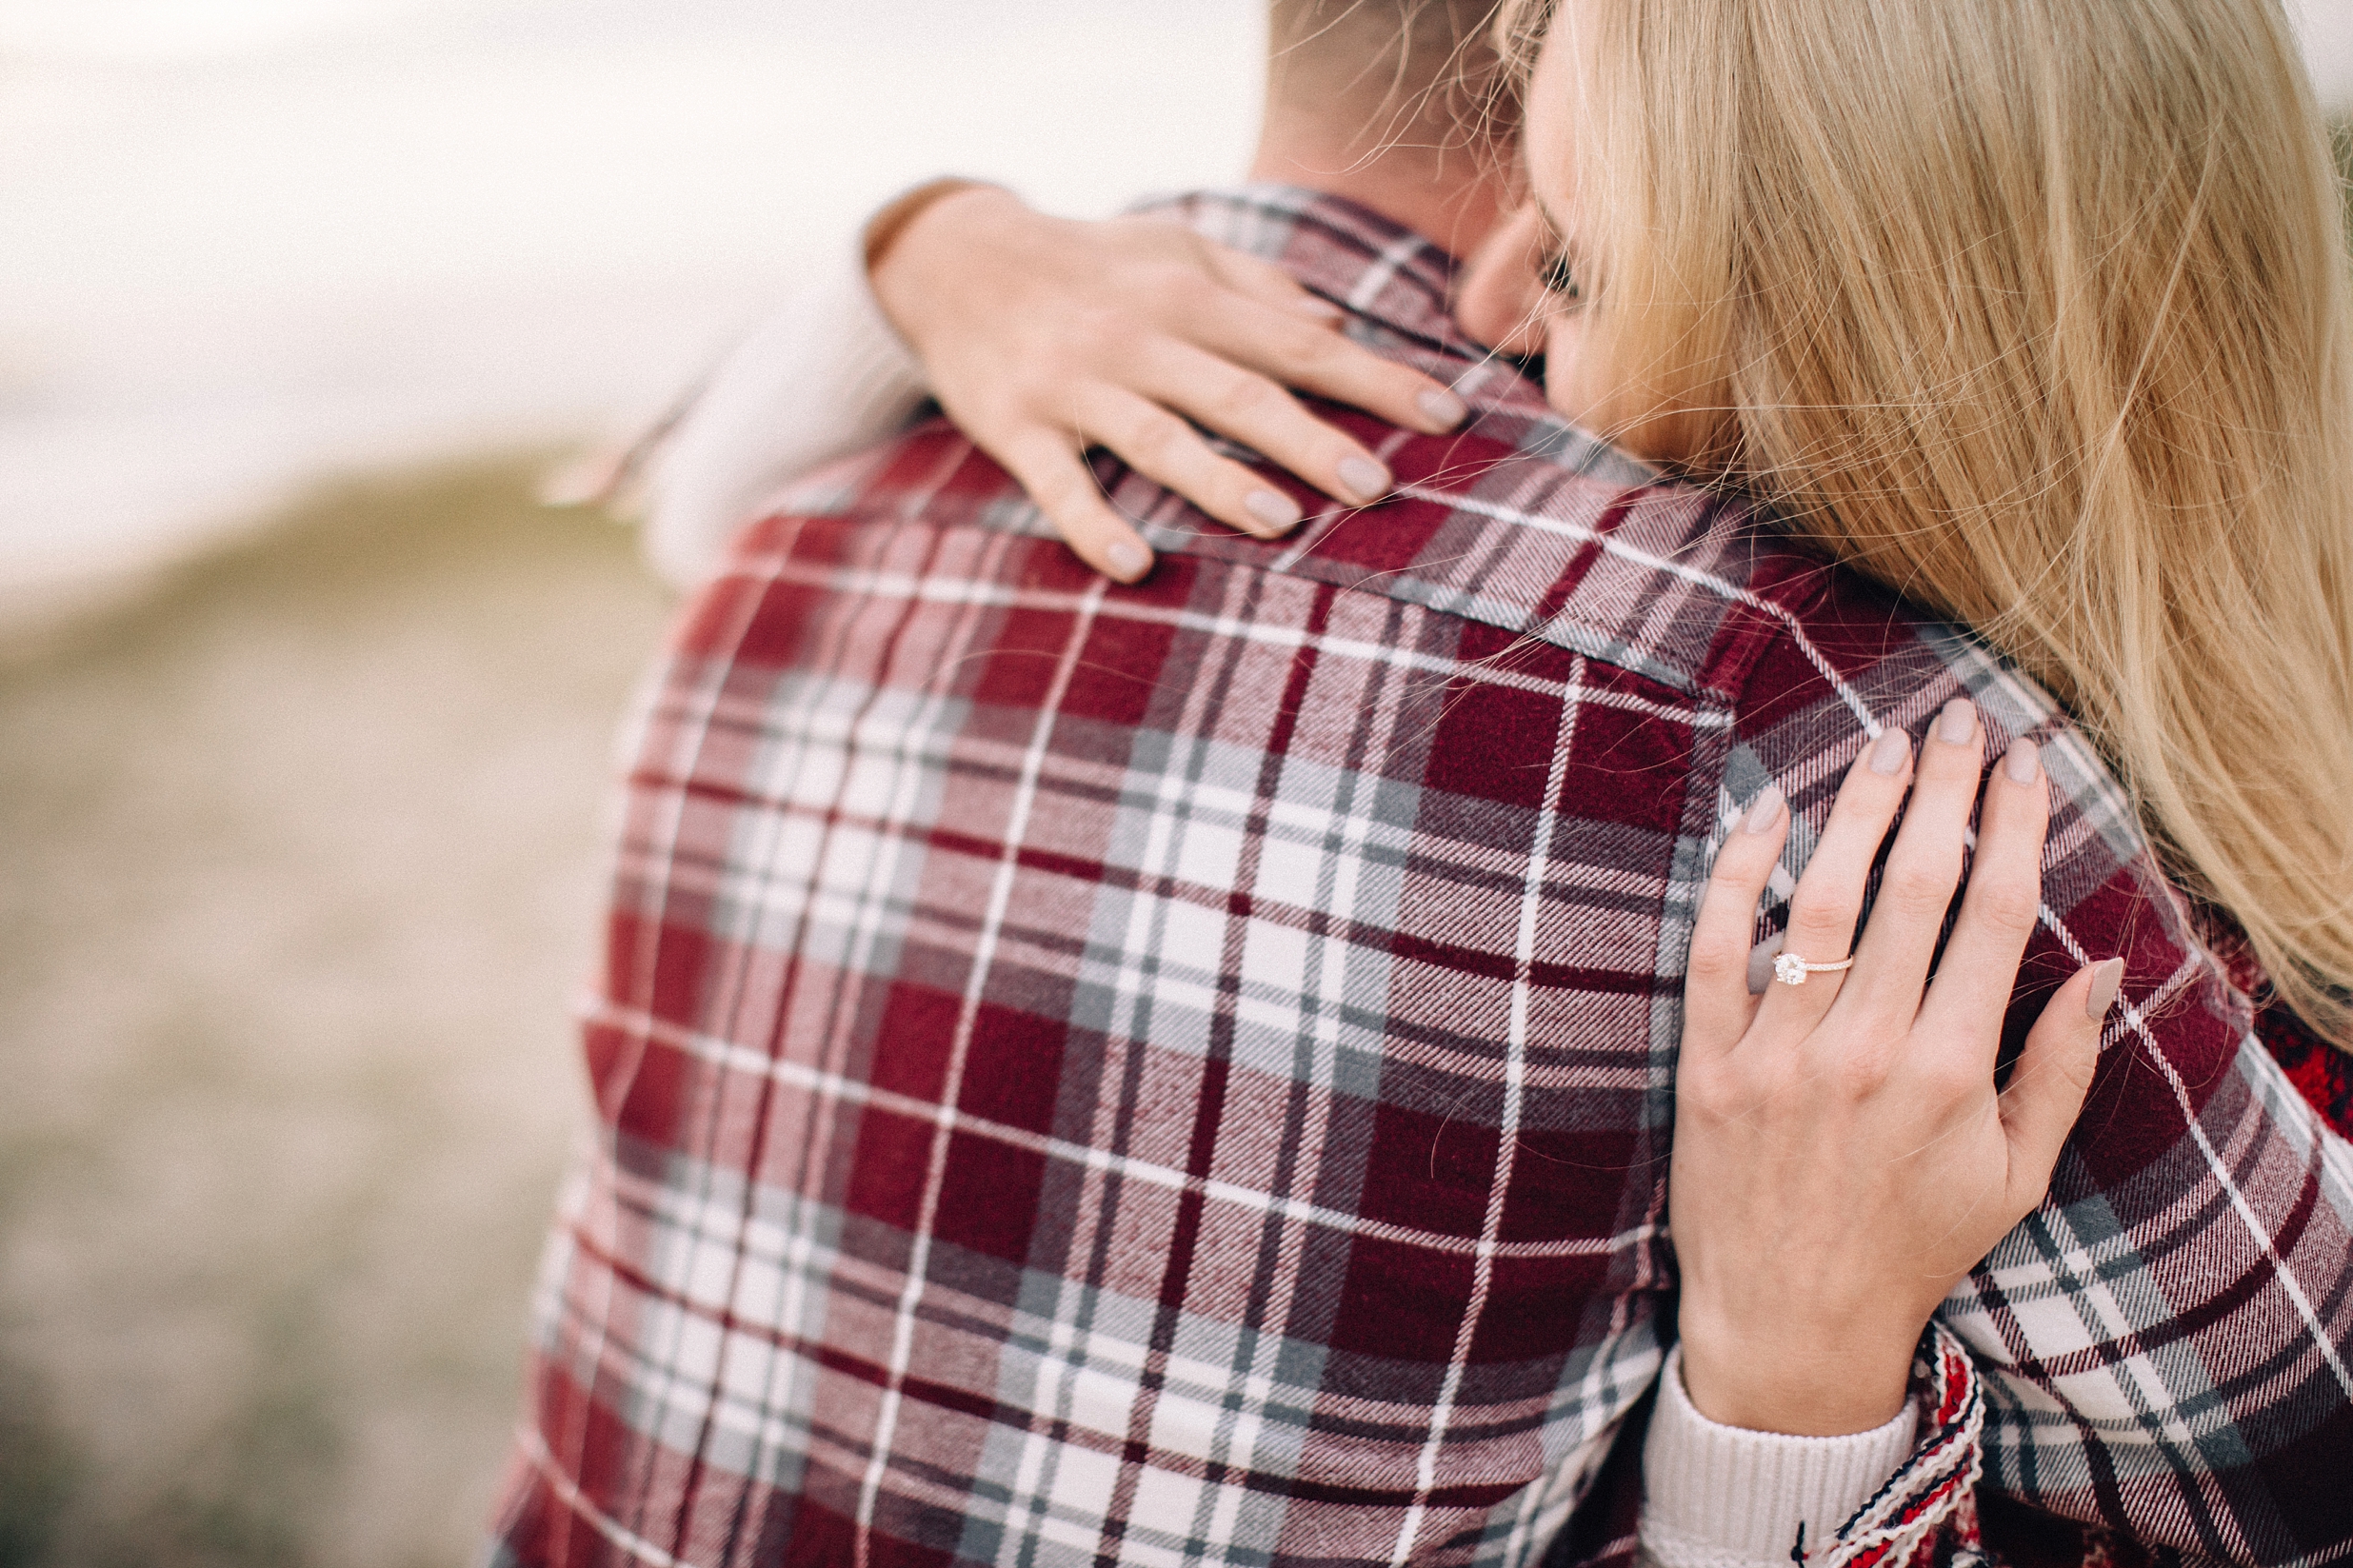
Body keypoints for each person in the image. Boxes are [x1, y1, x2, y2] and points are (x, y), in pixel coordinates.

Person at [492, 2, 2353, 1565]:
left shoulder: (797, 530)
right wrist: (1780, 1400)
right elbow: (2294, 1471)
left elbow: (691, 504)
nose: (1493, 303)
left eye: (1575, 259)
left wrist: (922, 253)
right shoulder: (1818, 723)